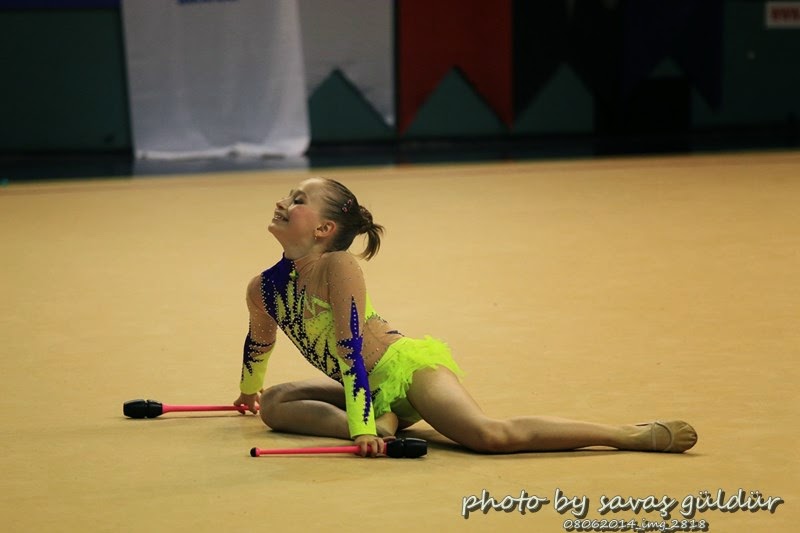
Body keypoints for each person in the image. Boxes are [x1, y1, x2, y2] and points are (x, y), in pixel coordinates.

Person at [233, 177, 698, 457]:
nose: (283, 202)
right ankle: (383, 420)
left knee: (488, 436)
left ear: (323, 228)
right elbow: (260, 342)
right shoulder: (263, 288)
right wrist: (248, 391)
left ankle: (627, 435)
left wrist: (361, 430)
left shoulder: (338, 266)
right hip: (369, 391)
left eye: (298, 199)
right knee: (276, 404)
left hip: (405, 370)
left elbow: (348, 347)